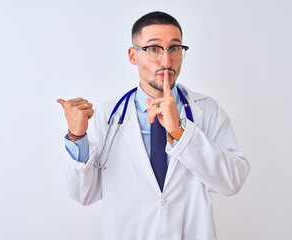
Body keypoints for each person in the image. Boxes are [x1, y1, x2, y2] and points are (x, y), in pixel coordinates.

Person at [57, 11, 250, 240]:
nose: (167, 61)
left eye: (175, 48)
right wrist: (77, 136)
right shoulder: (107, 115)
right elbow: (83, 194)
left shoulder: (207, 111)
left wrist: (179, 130)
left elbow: (232, 182)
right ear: (133, 55)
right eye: (154, 49)